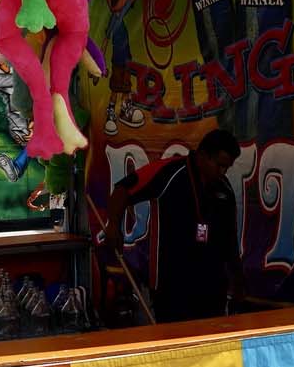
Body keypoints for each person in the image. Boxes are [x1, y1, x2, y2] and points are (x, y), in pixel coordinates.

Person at [103, 128, 243, 322]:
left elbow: (230, 240)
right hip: (171, 286)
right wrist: (113, 226)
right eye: (219, 165)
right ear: (203, 155)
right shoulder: (169, 171)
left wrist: (237, 281)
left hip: (212, 288)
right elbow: (122, 190)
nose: (223, 172)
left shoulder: (224, 188)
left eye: (227, 167)